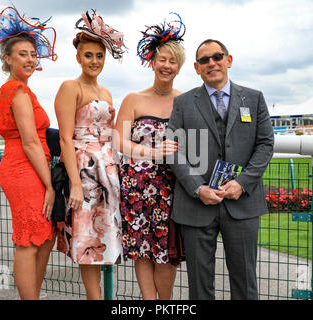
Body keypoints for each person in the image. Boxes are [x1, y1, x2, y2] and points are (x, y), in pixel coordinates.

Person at [167, 39, 274, 300]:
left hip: (242, 203)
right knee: (199, 285)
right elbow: (173, 149)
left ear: (229, 60)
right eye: (204, 60)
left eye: (217, 56)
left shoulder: (254, 98)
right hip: (196, 205)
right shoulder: (183, 103)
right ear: (196, 67)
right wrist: (196, 188)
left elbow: (265, 144)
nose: (211, 63)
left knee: (245, 282)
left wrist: (243, 183)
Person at [0, 5, 58, 300]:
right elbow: (30, 142)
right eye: (22, 54)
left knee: (42, 236)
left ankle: (32, 294)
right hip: (26, 168)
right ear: (7, 58)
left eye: (33, 55)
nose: (30, 59)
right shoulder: (18, 92)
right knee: (29, 240)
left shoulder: (12, 90)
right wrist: (49, 184)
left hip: (24, 166)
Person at [54, 10, 125, 300]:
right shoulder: (70, 88)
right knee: (87, 238)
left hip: (107, 170)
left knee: (105, 235)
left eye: (99, 56)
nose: (94, 61)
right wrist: (74, 184)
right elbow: (64, 137)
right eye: (88, 55)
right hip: (83, 170)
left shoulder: (106, 92)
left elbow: (111, 132)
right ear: (78, 57)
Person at [114, 13, 185, 300]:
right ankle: (147, 301)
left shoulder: (185, 100)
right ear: (152, 62)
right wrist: (150, 152)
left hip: (170, 185)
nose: (166, 65)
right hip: (136, 185)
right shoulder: (133, 99)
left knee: (166, 250)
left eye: (172, 61)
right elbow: (118, 139)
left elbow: (194, 144)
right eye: (162, 59)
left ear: (179, 66)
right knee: (141, 247)